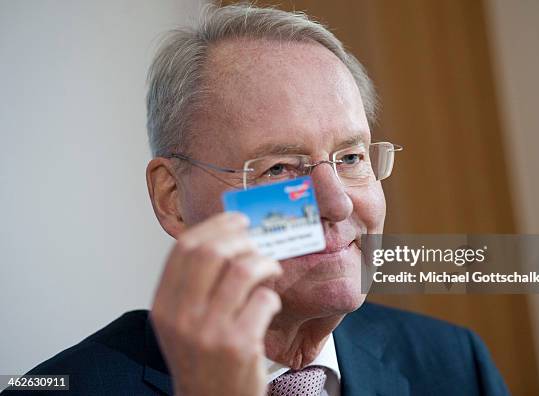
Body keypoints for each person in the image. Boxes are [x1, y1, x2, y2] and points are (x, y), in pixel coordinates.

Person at [2, 4, 509, 395]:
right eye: (279, 169)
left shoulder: (454, 362)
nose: (336, 204)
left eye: (351, 158)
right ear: (172, 198)